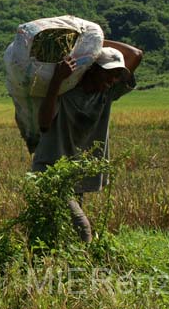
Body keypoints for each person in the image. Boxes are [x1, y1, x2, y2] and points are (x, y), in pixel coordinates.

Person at [32, 40, 143, 242]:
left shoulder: (107, 93)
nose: (112, 80)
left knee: (58, 233)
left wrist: (92, 41)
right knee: (81, 229)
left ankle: (51, 266)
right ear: (91, 69)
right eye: (108, 73)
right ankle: (84, 269)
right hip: (51, 170)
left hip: (74, 174)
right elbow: (44, 124)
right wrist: (56, 81)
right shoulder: (65, 90)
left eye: (117, 76)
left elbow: (136, 54)